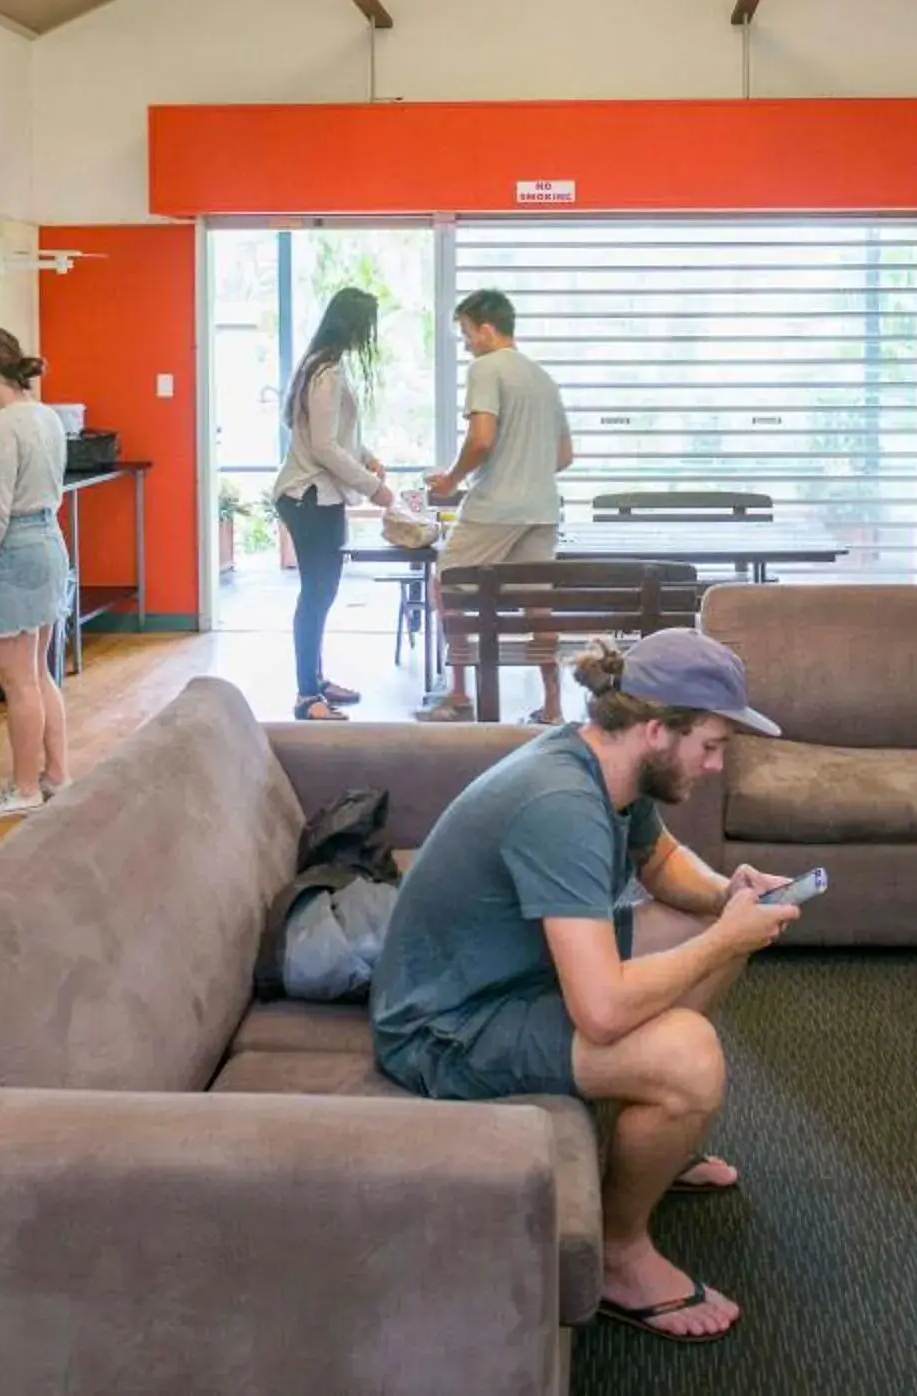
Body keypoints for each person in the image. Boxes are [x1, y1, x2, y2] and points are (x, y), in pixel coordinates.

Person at [370, 629, 797, 1344]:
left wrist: (728, 898)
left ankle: (657, 1132)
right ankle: (619, 1256)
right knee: (690, 1056)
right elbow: (600, 1013)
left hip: (511, 977)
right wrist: (725, 936)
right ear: (659, 730)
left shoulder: (613, 764)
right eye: (712, 745)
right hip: (444, 1031)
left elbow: (660, 866)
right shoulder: (560, 803)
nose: (717, 766)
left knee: (703, 928)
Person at [421, 288, 572, 723]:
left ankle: (459, 694)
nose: (466, 343)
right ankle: (553, 707)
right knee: (537, 605)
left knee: (446, 585)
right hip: (542, 509)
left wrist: (451, 479)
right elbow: (564, 456)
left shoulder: (486, 368)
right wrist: (527, 472)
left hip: (493, 508)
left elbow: (482, 439)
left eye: (467, 333)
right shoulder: (543, 378)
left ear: (486, 330)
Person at [0, 327, 72, 822]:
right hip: (49, 542)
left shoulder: (3, 425)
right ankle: (56, 776)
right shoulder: (47, 417)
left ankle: (23, 788)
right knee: (37, 671)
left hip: (16, 551)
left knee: (16, 680)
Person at [272, 286, 393, 721]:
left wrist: (367, 457)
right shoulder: (325, 373)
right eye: (367, 327)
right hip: (308, 497)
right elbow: (323, 447)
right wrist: (373, 487)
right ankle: (307, 696)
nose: (369, 336)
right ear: (353, 325)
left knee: (322, 593)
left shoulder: (324, 367)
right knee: (316, 594)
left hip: (317, 496)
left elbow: (336, 439)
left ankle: (315, 680)